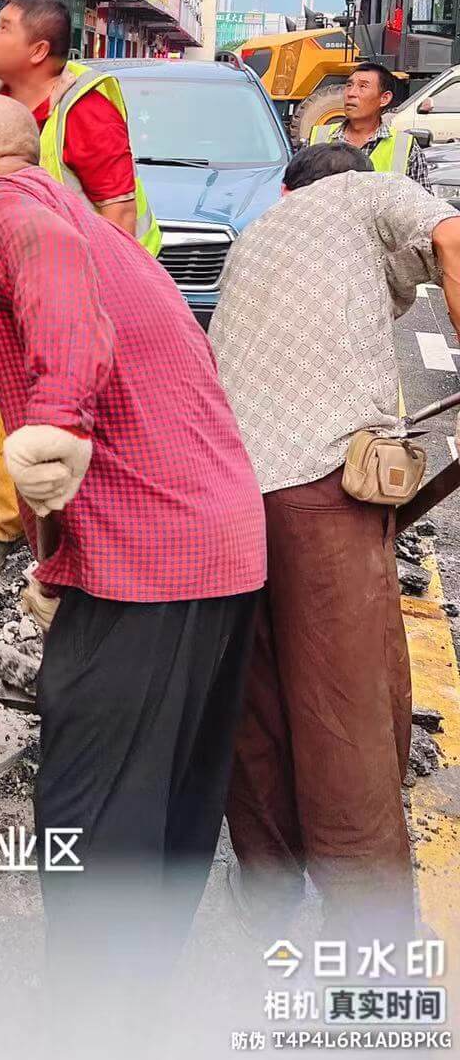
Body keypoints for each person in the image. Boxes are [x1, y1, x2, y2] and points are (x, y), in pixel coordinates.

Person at [0, 96, 265, 985]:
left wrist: (58, 421)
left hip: (154, 563)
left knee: (91, 814)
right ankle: (137, 1006)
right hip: (214, 546)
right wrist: (60, 561)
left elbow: (53, 272)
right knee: (169, 804)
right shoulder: (63, 200)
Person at [210, 139, 460, 938]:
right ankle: (369, 929)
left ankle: (269, 896)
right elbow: (453, 239)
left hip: (224, 500)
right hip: (317, 486)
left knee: (258, 705)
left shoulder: (256, 237)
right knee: (345, 708)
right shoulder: (362, 194)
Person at [0, 0, 160, 583]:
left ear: (38, 50)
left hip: (90, 286)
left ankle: (48, 537)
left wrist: (89, 308)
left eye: (2, 27)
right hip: (21, 287)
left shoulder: (84, 108)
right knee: (18, 407)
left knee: (54, 412)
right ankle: (21, 530)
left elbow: (118, 212)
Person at [308, 61, 427, 180]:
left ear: (384, 98)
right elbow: (297, 193)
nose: (351, 93)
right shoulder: (317, 138)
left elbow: (420, 197)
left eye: (363, 86)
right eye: (349, 85)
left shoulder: (405, 148)